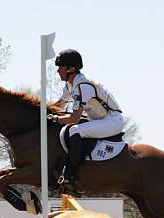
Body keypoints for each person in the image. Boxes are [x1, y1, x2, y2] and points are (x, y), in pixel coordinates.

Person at [49, 49, 124, 185]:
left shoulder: (83, 87)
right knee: (70, 127)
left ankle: (71, 174)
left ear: (71, 69)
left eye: (61, 67)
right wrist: (42, 112)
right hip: (99, 120)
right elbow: (59, 106)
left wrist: (53, 119)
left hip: (112, 121)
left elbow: (74, 119)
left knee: (74, 129)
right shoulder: (70, 86)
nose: (58, 71)